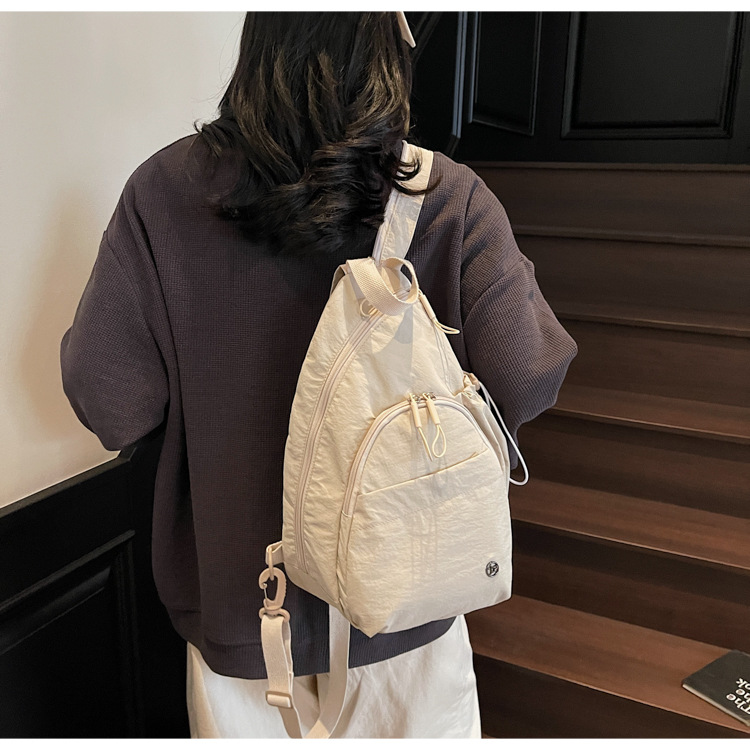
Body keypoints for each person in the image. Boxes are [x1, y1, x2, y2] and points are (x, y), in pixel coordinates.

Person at [59, 11, 578, 739]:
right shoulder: (446, 196)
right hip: (408, 619)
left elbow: (110, 400)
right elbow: (527, 377)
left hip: (245, 621)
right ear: (387, 48)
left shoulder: (162, 193)